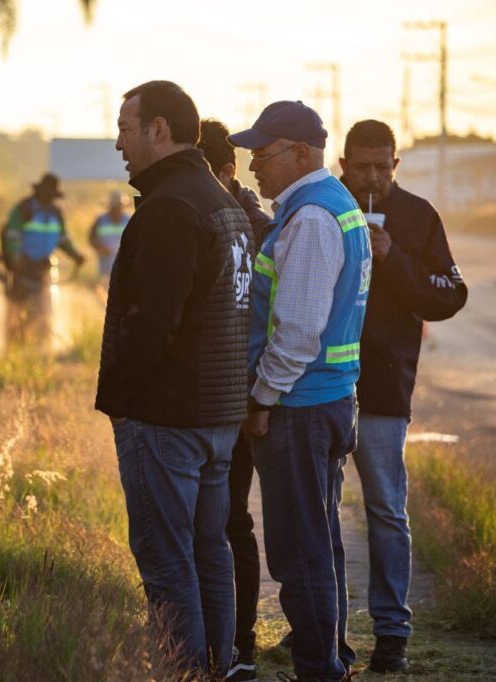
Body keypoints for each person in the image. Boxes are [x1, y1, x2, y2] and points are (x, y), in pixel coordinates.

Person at [95, 80, 254, 677]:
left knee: (166, 561)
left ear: (159, 130)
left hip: (168, 416)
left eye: (125, 128)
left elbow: (153, 321)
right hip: (215, 415)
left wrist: (121, 398)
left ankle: (186, 672)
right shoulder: (219, 199)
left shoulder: (170, 207)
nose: (118, 143)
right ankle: (219, 665)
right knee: (209, 552)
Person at [230, 101, 372, 682]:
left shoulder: (311, 218)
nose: (253, 166)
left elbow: (296, 330)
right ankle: (328, 655)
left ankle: (319, 668)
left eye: (262, 154)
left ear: (301, 154)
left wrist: (262, 400)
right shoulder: (332, 209)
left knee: (299, 549)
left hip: (300, 407)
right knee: (322, 539)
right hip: (326, 400)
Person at [338, 119, 467, 673]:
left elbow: (450, 294)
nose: (370, 177)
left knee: (386, 509)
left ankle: (392, 633)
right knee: (316, 511)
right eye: (359, 166)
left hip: (386, 387)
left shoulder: (418, 215)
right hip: (320, 384)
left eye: (380, 166)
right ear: (342, 165)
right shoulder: (325, 205)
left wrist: (393, 259)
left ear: (395, 164)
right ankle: (321, 628)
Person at [198, 117, 271, 682]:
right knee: (205, 522)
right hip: (200, 397)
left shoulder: (259, 226)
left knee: (230, 520)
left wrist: (259, 395)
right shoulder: (194, 213)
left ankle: (240, 645)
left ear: (227, 171)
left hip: (241, 398)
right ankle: (210, 643)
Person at [1, 172, 85, 347]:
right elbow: (12, 235)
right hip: (23, 266)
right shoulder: (24, 209)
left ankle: (43, 344)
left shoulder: (56, 213)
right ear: (40, 192)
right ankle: (14, 344)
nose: (51, 198)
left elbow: (63, 239)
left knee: (46, 307)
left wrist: (75, 255)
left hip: (45, 267)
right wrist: (16, 256)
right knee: (18, 306)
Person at [88, 190, 130, 285]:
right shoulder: (100, 220)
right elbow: (91, 238)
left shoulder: (128, 220)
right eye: (114, 207)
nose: (116, 209)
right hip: (105, 267)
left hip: (125, 268)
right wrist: (100, 247)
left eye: (119, 206)